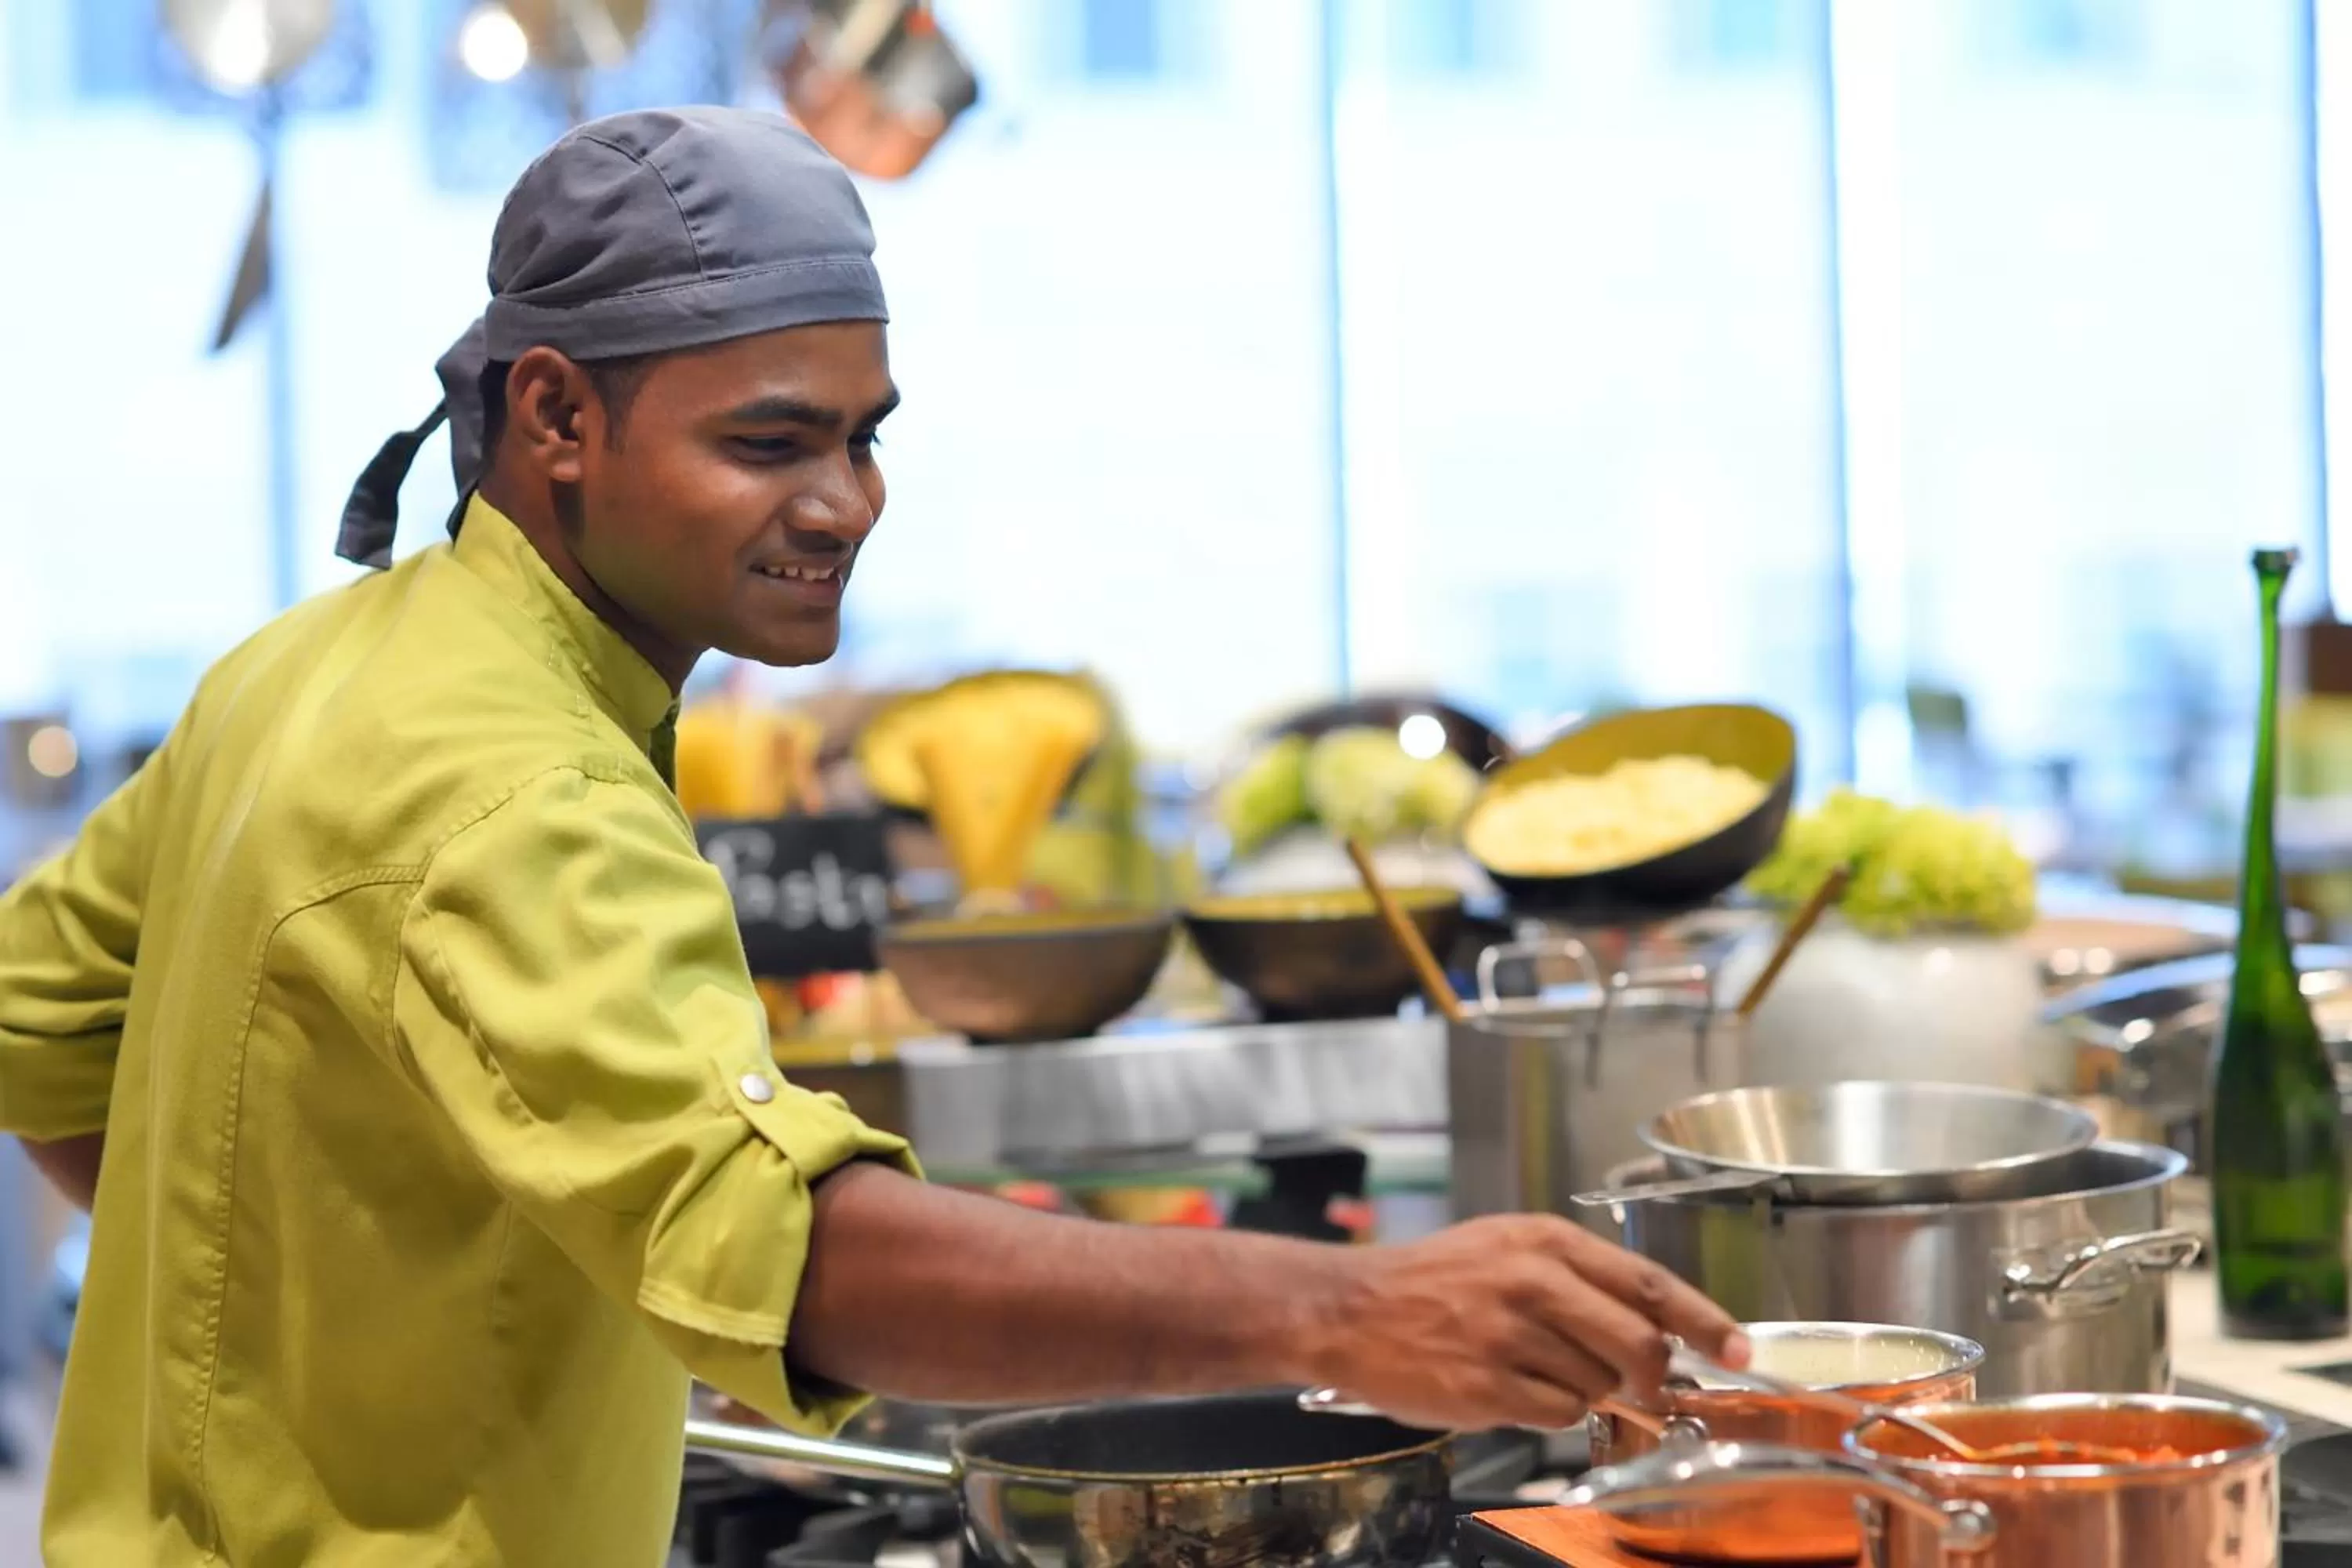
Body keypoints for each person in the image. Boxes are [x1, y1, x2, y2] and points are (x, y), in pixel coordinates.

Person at [0, 108, 1746, 1567]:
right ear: (555, 418)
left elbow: (43, 1019)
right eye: (768, 441)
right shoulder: (516, 786)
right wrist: (1349, 1316)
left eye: (863, 437)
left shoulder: (310, 667)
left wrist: (340, 1299)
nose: (842, 504)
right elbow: (806, 1258)